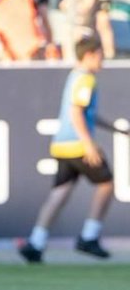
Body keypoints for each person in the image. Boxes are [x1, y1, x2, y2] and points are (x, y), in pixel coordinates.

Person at [19, 37, 113, 263]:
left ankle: (36, 242)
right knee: (106, 184)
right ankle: (89, 236)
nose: (102, 61)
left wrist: (115, 129)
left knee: (60, 192)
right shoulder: (86, 79)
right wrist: (88, 144)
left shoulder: (75, 76)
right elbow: (76, 113)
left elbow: (87, 113)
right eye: (100, 55)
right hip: (77, 145)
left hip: (61, 144)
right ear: (89, 55)